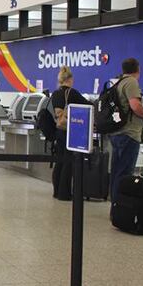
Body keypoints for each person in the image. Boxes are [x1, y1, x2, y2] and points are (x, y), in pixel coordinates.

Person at [109, 57, 143, 201]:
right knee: (125, 173)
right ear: (138, 69)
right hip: (129, 134)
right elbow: (135, 105)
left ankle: (116, 206)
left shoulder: (118, 82)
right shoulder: (131, 82)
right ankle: (121, 208)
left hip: (117, 133)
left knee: (117, 172)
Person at [51, 66, 92, 200]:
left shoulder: (55, 93)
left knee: (60, 160)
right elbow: (88, 105)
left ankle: (56, 191)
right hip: (69, 131)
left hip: (58, 129)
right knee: (68, 162)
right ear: (70, 79)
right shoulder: (72, 93)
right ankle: (65, 193)